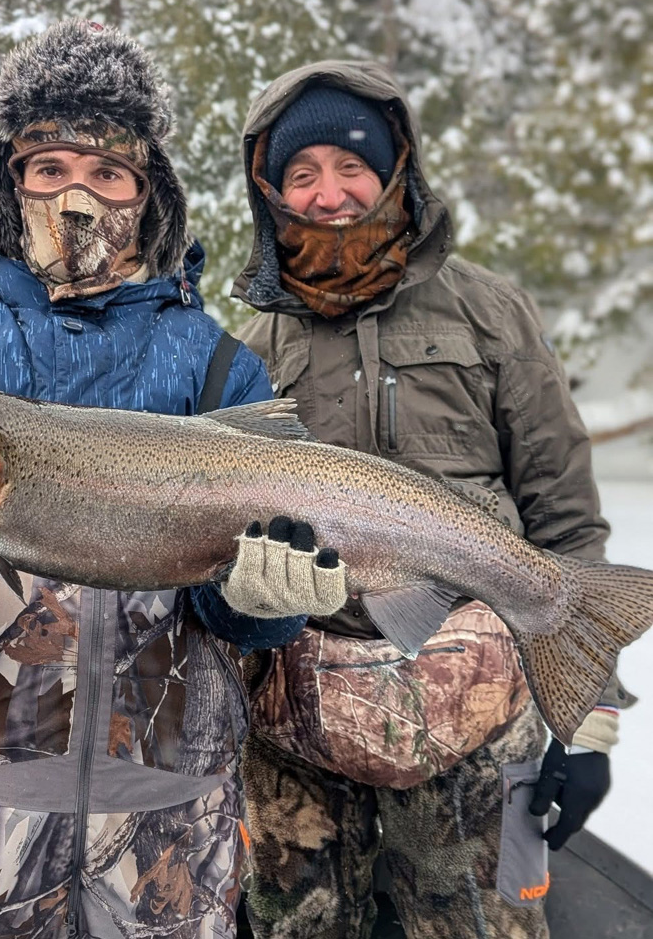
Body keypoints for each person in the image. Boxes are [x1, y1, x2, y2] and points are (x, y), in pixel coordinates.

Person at [0, 21, 340, 939]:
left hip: (168, 823)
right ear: (10, 183)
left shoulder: (220, 369)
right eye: (49, 167)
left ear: (150, 196)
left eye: (107, 173)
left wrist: (270, 600)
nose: (78, 195)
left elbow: (243, 625)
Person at [230, 62, 631, 938]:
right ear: (271, 194)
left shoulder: (493, 314)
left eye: (350, 166)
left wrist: (590, 721)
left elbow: (565, 521)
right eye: (302, 175)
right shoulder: (241, 348)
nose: (329, 194)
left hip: (486, 724)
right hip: (295, 725)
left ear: (394, 171)